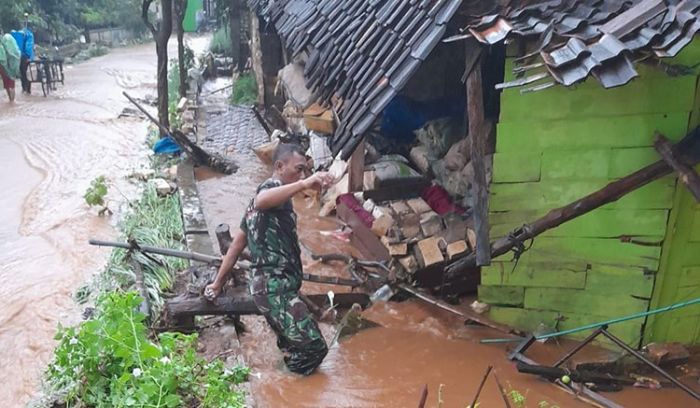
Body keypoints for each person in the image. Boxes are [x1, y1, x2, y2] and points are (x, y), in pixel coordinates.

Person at [205, 143, 334, 375]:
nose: (302, 175)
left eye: (305, 171)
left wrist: (217, 283)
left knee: (293, 344)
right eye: (299, 169)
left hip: (272, 289)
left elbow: (235, 246)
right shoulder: (270, 190)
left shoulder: (256, 208)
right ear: (279, 166)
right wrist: (304, 184)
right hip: (275, 290)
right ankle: (290, 383)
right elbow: (264, 199)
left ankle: (283, 382)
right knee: (315, 347)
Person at [11, 18, 34, 95]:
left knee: (22, 73)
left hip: (18, 55)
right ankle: (26, 89)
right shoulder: (28, 34)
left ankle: (25, 89)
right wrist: (29, 56)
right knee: (24, 72)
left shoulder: (14, 34)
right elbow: (29, 46)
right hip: (24, 56)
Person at [0, 31, 21, 102]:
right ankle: (12, 101)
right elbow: (16, 53)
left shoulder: (4, 41)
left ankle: (11, 100)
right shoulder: (8, 39)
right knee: (11, 83)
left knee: (7, 84)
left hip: (3, 65)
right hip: (10, 65)